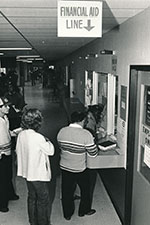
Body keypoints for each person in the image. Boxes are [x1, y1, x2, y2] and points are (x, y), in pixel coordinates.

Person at [16, 108, 55, 225]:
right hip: (38, 174)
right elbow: (51, 151)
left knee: (32, 197)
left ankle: (33, 221)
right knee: (43, 199)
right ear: (37, 122)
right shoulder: (38, 137)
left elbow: (18, 151)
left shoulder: (21, 134)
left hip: (27, 172)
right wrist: (48, 141)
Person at [57, 111, 98, 220]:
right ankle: (83, 211)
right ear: (83, 121)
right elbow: (93, 153)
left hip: (65, 166)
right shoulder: (86, 134)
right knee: (85, 190)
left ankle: (67, 214)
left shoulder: (62, 131)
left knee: (66, 191)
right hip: (80, 168)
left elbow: (62, 146)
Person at [0, 96, 19, 213]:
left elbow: (6, 133)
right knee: (2, 179)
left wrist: (15, 132)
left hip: (7, 152)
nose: (8, 108)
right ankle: (2, 203)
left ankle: (10, 194)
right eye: (5, 106)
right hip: (1, 154)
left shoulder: (5, 118)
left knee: (8, 175)